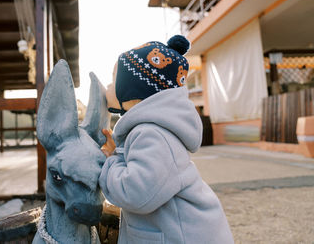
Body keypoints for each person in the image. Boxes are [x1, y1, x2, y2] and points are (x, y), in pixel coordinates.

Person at [99, 35, 234, 244]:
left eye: (114, 78)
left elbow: (135, 193)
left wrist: (111, 161)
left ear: (133, 89)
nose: (108, 85)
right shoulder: (152, 130)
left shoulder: (152, 134)